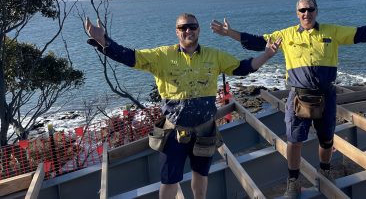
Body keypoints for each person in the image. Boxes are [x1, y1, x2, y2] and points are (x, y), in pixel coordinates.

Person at [210, 0, 366, 198]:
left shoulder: (332, 31)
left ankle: (324, 171)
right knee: (294, 141)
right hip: (298, 98)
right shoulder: (286, 35)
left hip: (326, 96)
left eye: (310, 9)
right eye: (302, 10)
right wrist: (229, 33)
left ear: (316, 11)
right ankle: (293, 181)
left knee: (327, 140)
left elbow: (360, 33)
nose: (307, 13)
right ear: (297, 14)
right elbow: (258, 42)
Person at [85, 13, 281, 199]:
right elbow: (129, 57)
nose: (188, 30)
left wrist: (267, 55)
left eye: (192, 26)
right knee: (169, 181)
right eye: (183, 27)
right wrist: (105, 42)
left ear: (199, 30)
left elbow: (242, 68)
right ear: (177, 31)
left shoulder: (214, 56)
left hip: (205, 132)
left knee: (201, 175)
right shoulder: (162, 56)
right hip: (174, 133)